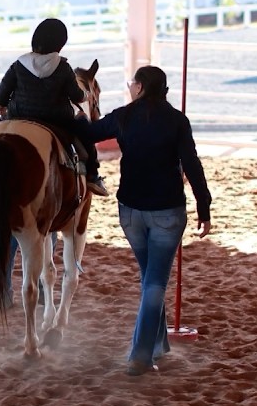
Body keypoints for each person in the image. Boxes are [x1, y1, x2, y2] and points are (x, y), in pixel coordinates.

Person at [86, 65, 212, 376]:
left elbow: (89, 132)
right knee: (154, 282)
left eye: (133, 83)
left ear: (140, 87)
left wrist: (70, 115)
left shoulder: (124, 116)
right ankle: (141, 355)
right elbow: (192, 165)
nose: (130, 87)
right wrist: (204, 207)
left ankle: (158, 344)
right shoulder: (177, 120)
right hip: (167, 212)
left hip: (131, 212)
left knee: (150, 278)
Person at [0, 18, 108, 196]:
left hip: (19, 115)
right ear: (60, 45)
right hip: (57, 119)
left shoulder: (19, 64)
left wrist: (3, 104)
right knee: (84, 126)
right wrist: (85, 95)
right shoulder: (63, 67)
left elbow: (3, 90)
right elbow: (76, 96)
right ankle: (93, 175)